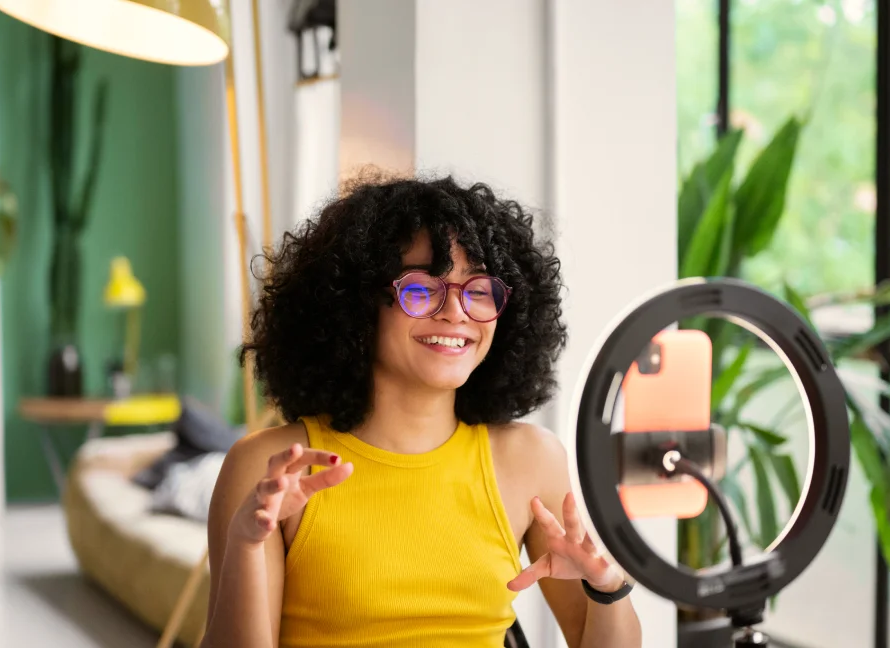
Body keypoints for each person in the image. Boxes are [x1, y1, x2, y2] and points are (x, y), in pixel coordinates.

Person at [202, 175, 642, 648]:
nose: (456, 312)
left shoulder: (530, 460)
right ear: (356, 304)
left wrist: (607, 588)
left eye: (477, 290)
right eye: (421, 289)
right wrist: (247, 544)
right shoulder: (272, 467)